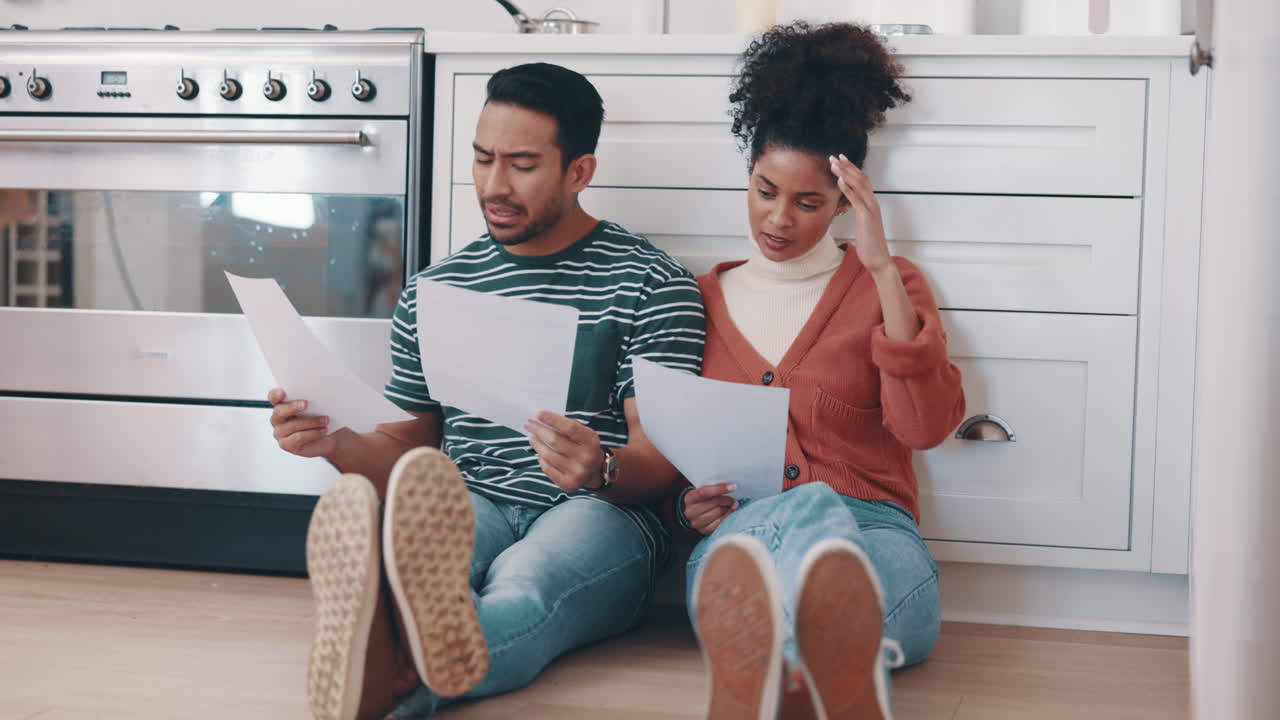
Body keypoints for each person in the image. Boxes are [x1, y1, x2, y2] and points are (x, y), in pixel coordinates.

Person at [268, 62, 706, 720]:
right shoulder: (437, 289)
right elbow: (410, 449)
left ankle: (386, 674)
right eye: (481, 159)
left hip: (602, 513)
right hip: (465, 499)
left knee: (526, 585)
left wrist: (601, 467)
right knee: (443, 565)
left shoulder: (651, 284)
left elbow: (663, 460)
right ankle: (393, 647)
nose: (494, 186)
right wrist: (335, 443)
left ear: (579, 171)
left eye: (523, 164)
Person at [668, 22, 966, 720]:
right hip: (746, 534)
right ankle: (831, 685)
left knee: (905, 620)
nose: (778, 220)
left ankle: (785, 683)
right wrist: (686, 510)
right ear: (747, 175)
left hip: (876, 528)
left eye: (809, 203)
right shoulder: (702, 299)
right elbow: (681, 449)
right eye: (766, 190)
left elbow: (923, 428)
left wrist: (883, 266)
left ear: (844, 201)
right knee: (816, 573)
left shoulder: (890, 287)